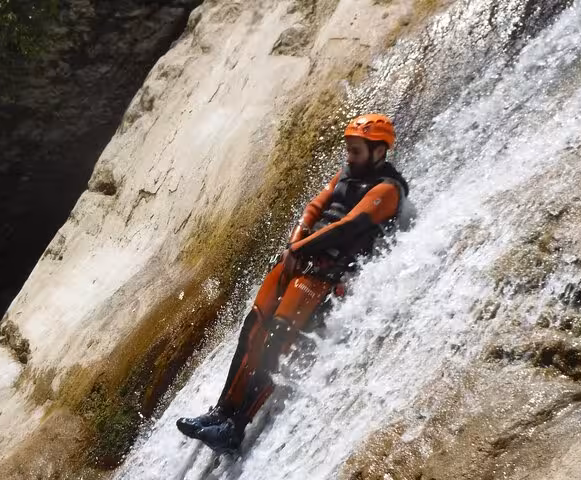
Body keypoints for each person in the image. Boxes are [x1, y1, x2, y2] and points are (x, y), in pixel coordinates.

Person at [176, 114, 412, 453]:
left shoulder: (388, 189)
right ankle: (219, 412)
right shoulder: (348, 173)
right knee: (253, 328)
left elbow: (348, 226)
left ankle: (235, 428)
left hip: (325, 273)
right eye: (349, 150)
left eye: (356, 151)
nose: (349, 157)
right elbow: (315, 206)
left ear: (378, 152)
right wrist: (295, 243)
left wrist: (301, 248)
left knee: (276, 339)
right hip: (300, 260)